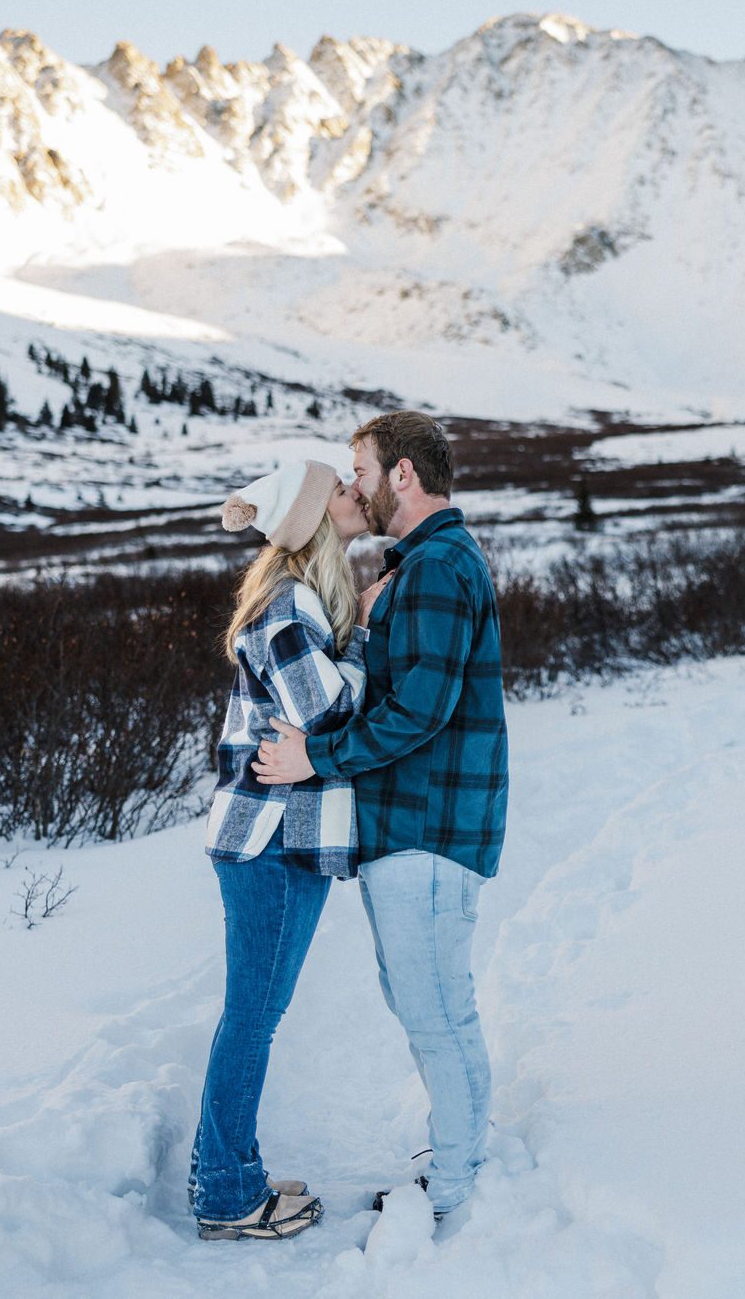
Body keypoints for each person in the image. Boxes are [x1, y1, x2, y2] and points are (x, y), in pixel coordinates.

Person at [254, 410, 509, 1221]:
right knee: (430, 1002)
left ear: (403, 474)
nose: (353, 483)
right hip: (420, 825)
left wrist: (315, 760)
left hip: (426, 828)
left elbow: (421, 711)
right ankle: (463, 1153)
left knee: (433, 1009)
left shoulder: (436, 568)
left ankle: (458, 1185)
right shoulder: (428, 563)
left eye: (361, 468)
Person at [189, 458, 391, 1242]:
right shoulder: (284, 609)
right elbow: (324, 705)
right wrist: (368, 636)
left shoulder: (303, 602)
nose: (353, 494)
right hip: (269, 843)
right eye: (339, 490)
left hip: (281, 840)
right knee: (253, 1019)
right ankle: (229, 1197)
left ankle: (226, 1171)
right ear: (312, 520)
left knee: (253, 1016)